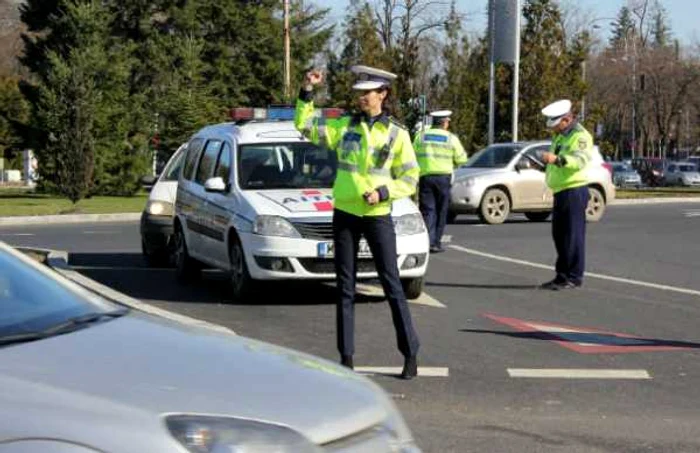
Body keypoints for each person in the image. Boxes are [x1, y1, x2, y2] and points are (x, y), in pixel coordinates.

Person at [294, 65, 421, 379]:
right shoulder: (345, 126)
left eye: (368, 93)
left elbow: (410, 179)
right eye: (360, 93)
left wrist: (383, 192)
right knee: (345, 288)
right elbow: (305, 126)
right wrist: (307, 91)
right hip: (346, 214)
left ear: (383, 94)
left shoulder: (397, 133)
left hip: (378, 217)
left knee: (392, 285)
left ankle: (410, 354)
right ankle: (346, 357)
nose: (362, 98)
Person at [539, 99, 594, 290]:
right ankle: (561, 275)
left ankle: (573, 276)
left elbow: (579, 161)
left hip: (574, 190)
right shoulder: (561, 136)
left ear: (566, 119)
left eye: (556, 124)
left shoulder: (580, 136)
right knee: (560, 236)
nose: (553, 129)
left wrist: (557, 159)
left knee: (573, 236)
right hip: (561, 190)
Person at [413, 110, 467, 253]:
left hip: (425, 177)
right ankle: (436, 243)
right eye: (448, 121)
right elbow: (462, 159)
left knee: (428, 210)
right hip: (443, 178)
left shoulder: (421, 137)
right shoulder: (451, 138)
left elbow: (412, 156)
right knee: (441, 210)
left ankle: (426, 241)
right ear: (444, 122)